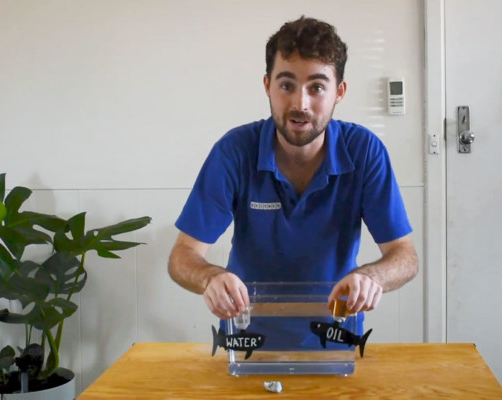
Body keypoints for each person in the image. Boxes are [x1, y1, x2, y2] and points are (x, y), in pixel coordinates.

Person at [167, 15, 419, 328]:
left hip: (335, 340)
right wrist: (210, 277)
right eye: (287, 85)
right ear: (267, 86)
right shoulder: (234, 151)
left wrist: (371, 277)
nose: (300, 103)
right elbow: (182, 255)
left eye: (317, 87)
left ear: (339, 92)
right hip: (248, 342)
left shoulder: (365, 151)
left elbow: (404, 255)